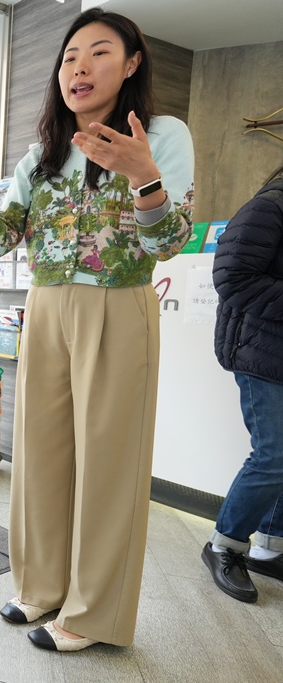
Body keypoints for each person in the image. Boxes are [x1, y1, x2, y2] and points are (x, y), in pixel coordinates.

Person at [0, 8, 194, 651]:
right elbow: (1, 241)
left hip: (117, 303)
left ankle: (92, 614)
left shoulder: (162, 135)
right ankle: (40, 586)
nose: (79, 67)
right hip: (46, 307)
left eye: (99, 52)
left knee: (109, 465)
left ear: (133, 63)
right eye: (69, 57)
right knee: (39, 455)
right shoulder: (42, 154)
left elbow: (169, 242)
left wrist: (143, 175)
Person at [202, 164, 283, 602]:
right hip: (260, 351)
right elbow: (232, 278)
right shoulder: (270, 206)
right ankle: (225, 545)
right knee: (273, 456)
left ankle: (270, 548)